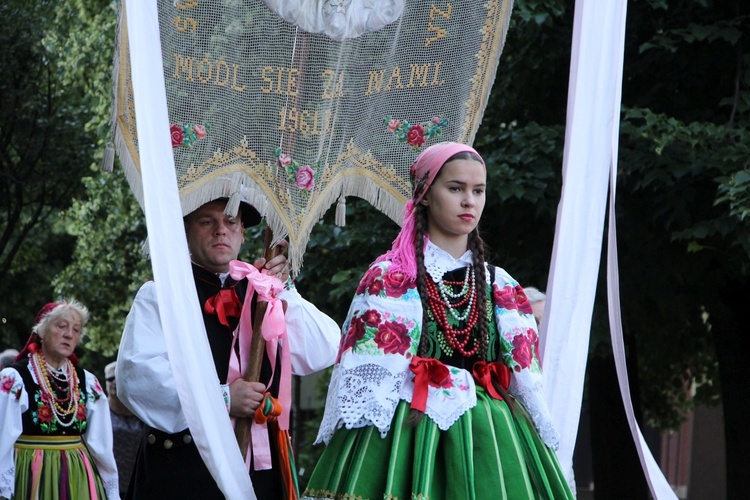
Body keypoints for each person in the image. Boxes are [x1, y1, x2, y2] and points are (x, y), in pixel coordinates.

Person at [303, 142, 573, 499]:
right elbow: (366, 377)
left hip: (491, 436)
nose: (469, 201)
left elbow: (527, 381)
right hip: (406, 431)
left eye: (478, 191)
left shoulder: (500, 285)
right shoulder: (391, 278)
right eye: (456, 188)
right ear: (426, 196)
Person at [117, 197, 340, 500]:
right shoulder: (160, 295)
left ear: (243, 232)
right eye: (207, 221)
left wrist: (283, 289)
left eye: (230, 221)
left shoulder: (264, 294)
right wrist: (222, 400)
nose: (221, 231)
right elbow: (137, 380)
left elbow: (323, 349)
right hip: (182, 474)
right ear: (186, 231)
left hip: (258, 473)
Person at [0, 300, 119, 499]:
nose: (69, 334)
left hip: (77, 474)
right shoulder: (15, 378)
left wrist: (111, 489)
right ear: (42, 331)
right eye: (61, 326)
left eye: (76, 330)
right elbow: (2, 437)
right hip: (30, 471)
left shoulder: (87, 381)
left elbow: (101, 444)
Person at [104, 361, 141, 497]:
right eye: (110, 379)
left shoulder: (141, 413)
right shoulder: (100, 412)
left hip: (136, 481)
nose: (114, 382)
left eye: (118, 378)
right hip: (108, 483)